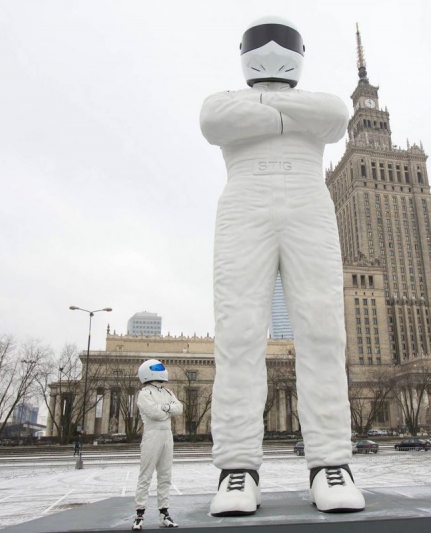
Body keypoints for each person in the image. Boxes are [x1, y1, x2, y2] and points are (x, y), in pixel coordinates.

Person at [199, 16, 365, 516]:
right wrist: (289, 114)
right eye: (261, 42)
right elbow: (213, 123)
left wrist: (262, 109)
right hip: (244, 205)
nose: (272, 50)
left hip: (309, 208)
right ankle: (237, 469)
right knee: (238, 333)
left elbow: (336, 117)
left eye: (284, 42)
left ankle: (330, 463)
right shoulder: (222, 101)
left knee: (322, 331)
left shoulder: (317, 103)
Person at [132, 359, 183, 530]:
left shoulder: (168, 392)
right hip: (152, 434)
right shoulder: (144, 393)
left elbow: (180, 408)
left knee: (165, 476)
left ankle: (164, 513)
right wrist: (168, 411)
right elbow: (154, 413)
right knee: (145, 475)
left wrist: (163, 409)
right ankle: (139, 514)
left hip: (167, 435)